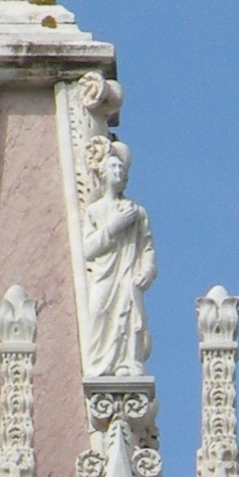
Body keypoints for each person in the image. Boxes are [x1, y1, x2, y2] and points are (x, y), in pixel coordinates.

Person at [77, 145, 155, 379]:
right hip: (103, 275)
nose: (118, 171)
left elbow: (147, 247)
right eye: (113, 166)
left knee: (130, 319)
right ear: (103, 173)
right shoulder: (95, 211)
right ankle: (99, 364)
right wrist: (114, 226)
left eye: (121, 167)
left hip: (128, 277)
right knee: (99, 313)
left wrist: (148, 270)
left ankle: (127, 363)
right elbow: (88, 249)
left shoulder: (137, 211)